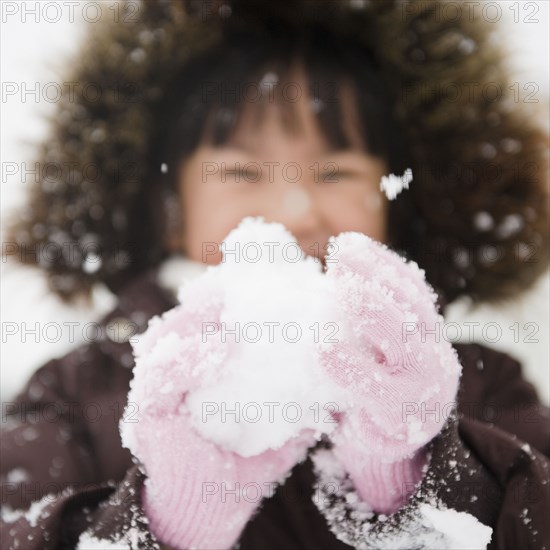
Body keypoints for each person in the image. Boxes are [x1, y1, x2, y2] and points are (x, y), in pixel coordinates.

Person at [1, 1, 549, 548]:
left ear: (396, 204)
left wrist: (413, 479)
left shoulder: (484, 386)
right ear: (170, 212)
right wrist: (169, 523)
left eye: (335, 172)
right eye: (241, 171)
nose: (294, 210)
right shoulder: (72, 397)